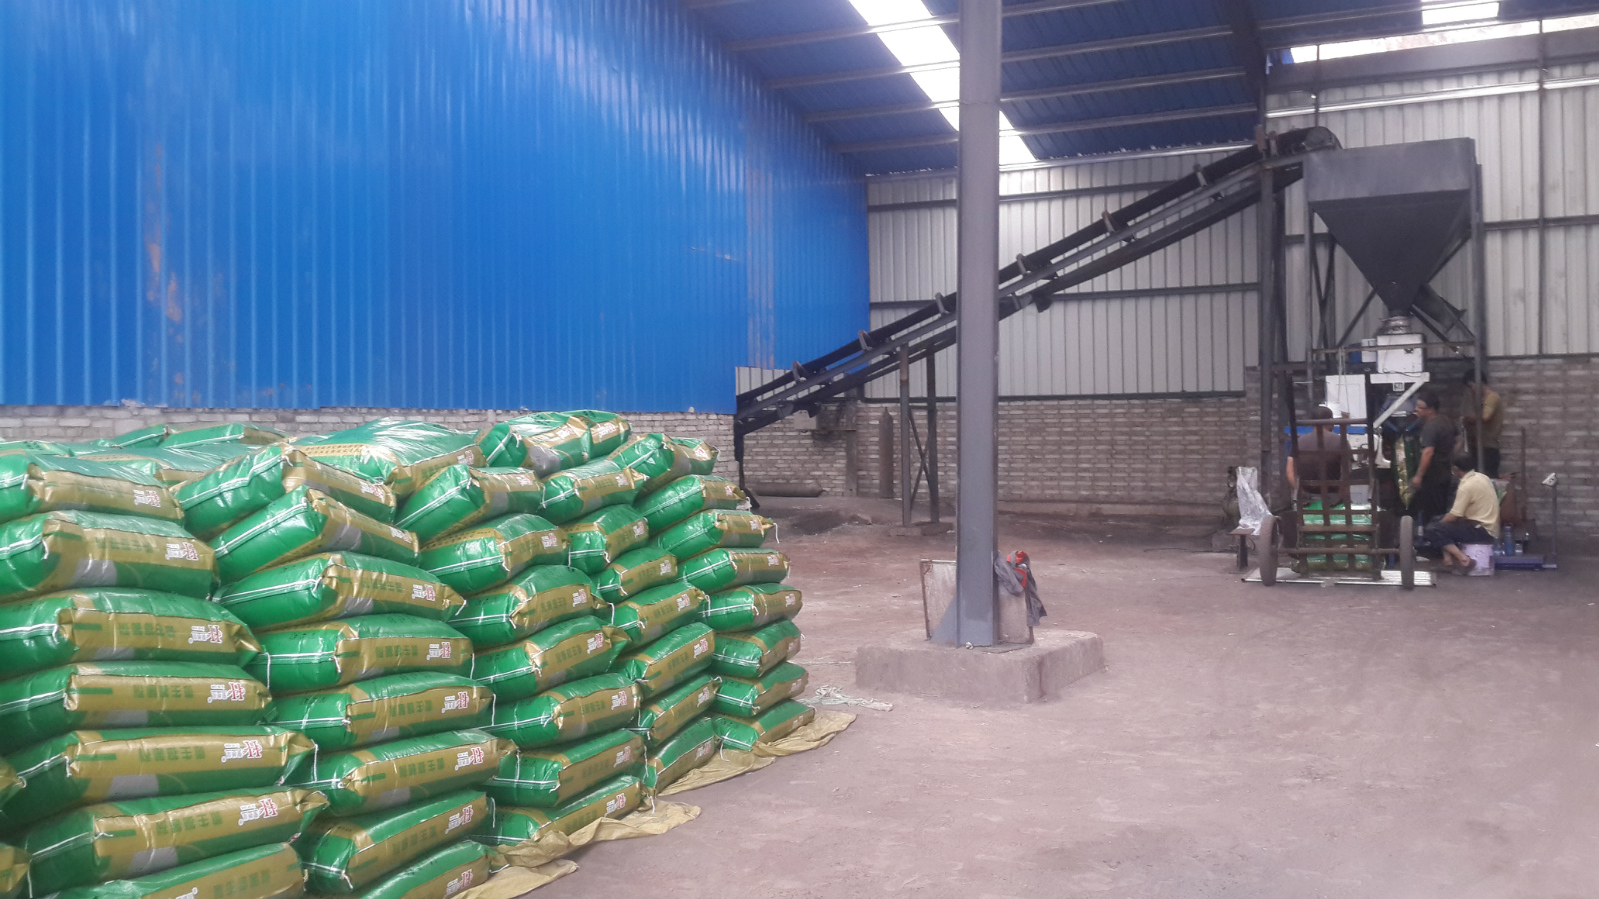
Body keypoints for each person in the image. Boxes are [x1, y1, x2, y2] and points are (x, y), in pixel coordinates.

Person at [1424, 452, 1501, 574]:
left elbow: (1454, 516)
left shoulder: (1466, 486)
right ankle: (1448, 562)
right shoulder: (1483, 477)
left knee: (1432, 529)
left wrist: (1440, 524)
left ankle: (1464, 560)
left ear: (1455, 469)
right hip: (1488, 527)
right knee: (1436, 521)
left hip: (1481, 530)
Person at [1286, 405, 1352, 505]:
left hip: (1307, 498)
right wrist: (1341, 495)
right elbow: (1347, 472)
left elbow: (1290, 471)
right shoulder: (1340, 441)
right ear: (1330, 421)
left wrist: (1299, 492)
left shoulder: (1299, 442)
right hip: (1333, 498)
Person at [1409, 388, 1455, 523]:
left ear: (1431, 410)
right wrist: (1449, 454)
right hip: (1445, 471)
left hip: (1433, 475)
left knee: (1430, 512)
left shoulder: (1430, 427)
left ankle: (1431, 533)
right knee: (1441, 508)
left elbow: (1428, 453)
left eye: (1420, 407)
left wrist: (1419, 476)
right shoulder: (1446, 420)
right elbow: (1459, 440)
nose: (1416, 410)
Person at [1461, 370, 1503, 478]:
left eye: (1471, 386)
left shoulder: (1492, 397)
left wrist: (1469, 418)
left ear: (1479, 383)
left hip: (1488, 449)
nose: (1471, 390)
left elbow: (1486, 417)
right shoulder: (1481, 400)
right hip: (1479, 448)